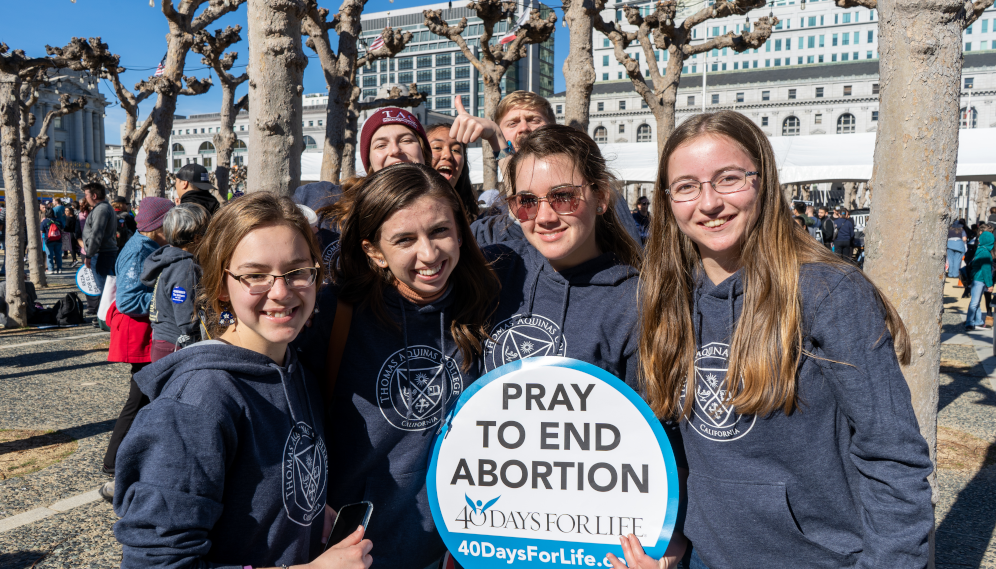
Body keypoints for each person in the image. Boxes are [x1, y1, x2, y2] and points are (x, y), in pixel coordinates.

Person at [627, 110, 932, 569]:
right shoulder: (667, 298)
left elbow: (891, 454)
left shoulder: (827, 292)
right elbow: (669, 444)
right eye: (687, 186)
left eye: (728, 179)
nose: (708, 203)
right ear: (667, 201)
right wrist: (667, 540)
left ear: (764, 181)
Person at [114, 193, 372, 569]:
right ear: (221, 285)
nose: (281, 292)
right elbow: (156, 563)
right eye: (255, 275)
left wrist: (312, 512)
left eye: (298, 271)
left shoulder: (295, 368)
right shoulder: (198, 401)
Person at [296, 163, 499, 569]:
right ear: (374, 250)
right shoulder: (333, 317)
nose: (429, 254)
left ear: (460, 229)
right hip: (356, 552)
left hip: (461, 550)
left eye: (440, 230)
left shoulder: (488, 308)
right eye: (405, 239)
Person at [447, 91, 643, 245]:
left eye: (534, 120)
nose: (524, 128)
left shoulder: (595, 192)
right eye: (512, 123)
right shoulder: (493, 216)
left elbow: (632, 253)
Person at [101, 197, 174, 494]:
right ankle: (114, 462)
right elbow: (128, 300)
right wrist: (169, 298)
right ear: (158, 224)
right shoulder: (138, 251)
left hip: (147, 330)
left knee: (143, 397)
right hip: (139, 331)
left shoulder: (149, 245)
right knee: (139, 398)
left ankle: (122, 459)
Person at [142, 203, 211, 361]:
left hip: (164, 342)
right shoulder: (184, 267)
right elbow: (186, 316)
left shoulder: (170, 259)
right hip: (177, 346)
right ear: (197, 238)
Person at [427, 122, 479, 221]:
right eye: (437, 147)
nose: (448, 155)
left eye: (456, 150)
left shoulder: (478, 224)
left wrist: (494, 136)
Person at [81, 182, 120, 314]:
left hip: (101, 253)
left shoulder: (101, 210)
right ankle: (108, 316)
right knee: (107, 286)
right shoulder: (104, 208)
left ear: (95, 195)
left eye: (86, 194)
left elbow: (96, 234)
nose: (85, 197)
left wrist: (89, 255)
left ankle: (108, 317)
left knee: (105, 288)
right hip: (104, 252)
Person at [965, 229, 993, 331]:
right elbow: (986, 271)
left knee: (976, 301)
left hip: (976, 278)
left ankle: (978, 321)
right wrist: (989, 284)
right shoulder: (986, 253)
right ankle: (969, 323)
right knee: (975, 302)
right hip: (979, 279)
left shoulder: (980, 249)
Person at [40, 209, 64, 274]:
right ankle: (59, 269)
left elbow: (42, 231)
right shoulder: (59, 220)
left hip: (48, 240)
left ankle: (51, 269)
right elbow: (62, 229)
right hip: (58, 240)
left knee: (49, 255)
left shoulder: (44, 221)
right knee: (58, 255)